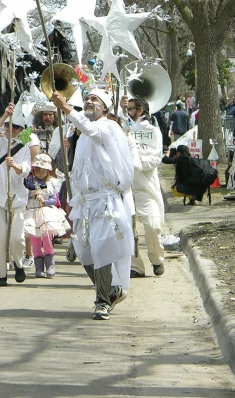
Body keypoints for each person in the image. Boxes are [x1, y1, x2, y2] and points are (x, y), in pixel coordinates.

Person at [50, 89, 135, 321]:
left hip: (106, 201)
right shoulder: (84, 135)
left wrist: (66, 107)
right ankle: (111, 290)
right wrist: (72, 201)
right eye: (87, 98)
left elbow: (92, 129)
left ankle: (102, 301)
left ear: (105, 108)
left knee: (101, 250)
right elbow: (77, 171)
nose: (89, 101)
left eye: (94, 99)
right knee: (85, 252)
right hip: (86, 203)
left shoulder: (108, 127)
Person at [0, 103, 33, 286]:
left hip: (17, 196)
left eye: (16, 127)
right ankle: (1, 274)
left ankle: (19, 263)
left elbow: (26, 170)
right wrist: (4, 115)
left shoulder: (24, 148)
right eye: (8, 126)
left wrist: (15, 166)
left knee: (16, 237)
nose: (11, 130)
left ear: (22, 130)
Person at [124, 97, 166, 278]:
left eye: (130, 108)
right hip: (126, 186)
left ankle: (156, 259)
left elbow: (156, 157)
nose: (127, 111)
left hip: (145, 186)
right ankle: (135, 266)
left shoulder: (153, 131)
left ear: (140, 111)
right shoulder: (123, 130)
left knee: (151, 225)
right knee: (128, 228)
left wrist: (137, 163)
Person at [23, 154, 69, 278]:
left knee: (47, 240)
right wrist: (31, 194)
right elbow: (23, 197)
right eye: (39, 171)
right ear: (34, 170)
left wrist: (45, 201)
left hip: (46, 214)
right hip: (32, 215)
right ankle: (38, 268)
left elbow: (54, 199)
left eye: (44, 171)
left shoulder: (51, 184)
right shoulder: (29, 182)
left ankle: (50, 266)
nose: (41, 174)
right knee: (36, 242)